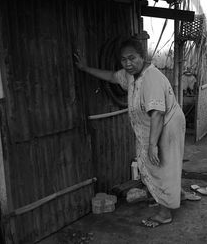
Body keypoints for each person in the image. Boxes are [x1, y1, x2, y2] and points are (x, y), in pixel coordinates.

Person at [74, 38, 186, 228]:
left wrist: (152, 146)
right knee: (163, 165)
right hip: (156, 125)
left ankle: (165, 212)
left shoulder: (151, 78)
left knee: (161, 166)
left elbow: (157, 113)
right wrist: (85, 68)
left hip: (166, 125)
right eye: (124, 59)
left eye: (132, 58)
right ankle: (175, 196)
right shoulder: (130, 76)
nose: (128, 63)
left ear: (143, 56)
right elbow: (111, 76)